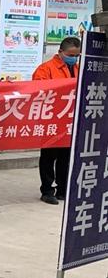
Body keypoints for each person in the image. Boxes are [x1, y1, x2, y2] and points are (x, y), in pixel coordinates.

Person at [33, 36, 81, 205]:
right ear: (60, 52)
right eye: (71, 55)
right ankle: (47, 190)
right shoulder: (46, 69)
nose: (74, 58)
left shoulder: (78, 68)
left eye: (77, 55)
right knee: (48, 157)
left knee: (66, 157)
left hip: (70, 120)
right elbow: (38, 91)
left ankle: (63, 189)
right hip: (51, 120)